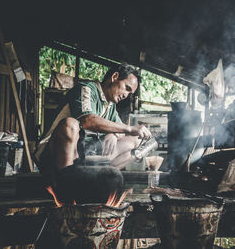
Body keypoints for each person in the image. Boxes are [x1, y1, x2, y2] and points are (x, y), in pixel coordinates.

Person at [35, 64, 151, 203]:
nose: (126, 95)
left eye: (130, 93)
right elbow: (87, 120)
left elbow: (120, 130)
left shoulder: (110, 105)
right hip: (53, 155)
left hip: (83, 157)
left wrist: (113, 134)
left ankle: (98, 178)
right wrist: (129, 128)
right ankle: (65, 187)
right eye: (126, 88)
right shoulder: (86, 89)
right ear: (114, 77)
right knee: (70, 125)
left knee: (135, 141)